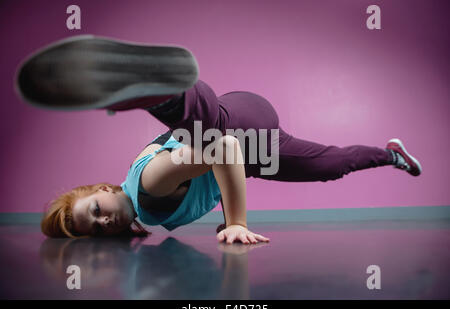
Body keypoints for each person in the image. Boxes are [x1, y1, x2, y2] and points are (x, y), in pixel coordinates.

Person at [16, 36, 422, 244]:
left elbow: (223, 149)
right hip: (259, 147)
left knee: (208, 128)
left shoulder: (147, 187)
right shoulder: (143, 203)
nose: (106, 220)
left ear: (102, 189)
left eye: (97, 210)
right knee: (330, 165)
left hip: (238, 127)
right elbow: (221, 164)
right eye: (100, 228)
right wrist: (137, 226)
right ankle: (391, 155)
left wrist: (237, 223)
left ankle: (157, 91)